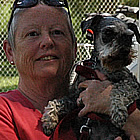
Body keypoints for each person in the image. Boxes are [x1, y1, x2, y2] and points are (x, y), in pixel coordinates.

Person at [0, 0, 139, 139]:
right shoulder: (5, 112)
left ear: (74, 49)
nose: (47, 41)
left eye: (57, 32)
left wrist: (117, 106)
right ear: (10, 51)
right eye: (32, 34)